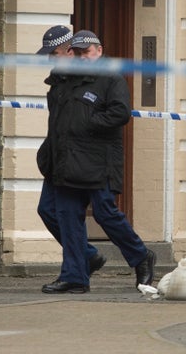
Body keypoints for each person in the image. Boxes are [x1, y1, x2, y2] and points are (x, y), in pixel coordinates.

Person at [36, 27, 156, 293]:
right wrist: (49, 152)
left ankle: (141, 256)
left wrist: (87, 123)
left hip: (97, 160)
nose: (80, 58)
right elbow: (57, 123)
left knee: (105, 214)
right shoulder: (60, 81)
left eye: (85, 53)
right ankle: (76, 276)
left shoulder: (109, 79)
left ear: (98, 51)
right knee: (67, 216)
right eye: (77, 53)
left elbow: (120, 113)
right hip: (67, 160)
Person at [35, 26, 107, 277]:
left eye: (54, 53)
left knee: (87, 214)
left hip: (78, 159)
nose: (50, 59)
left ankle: (78, 267)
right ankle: (86, 255)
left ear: (69, 51)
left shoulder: (80, 79)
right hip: (57, 156)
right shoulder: (58, 80)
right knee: (47, 209)